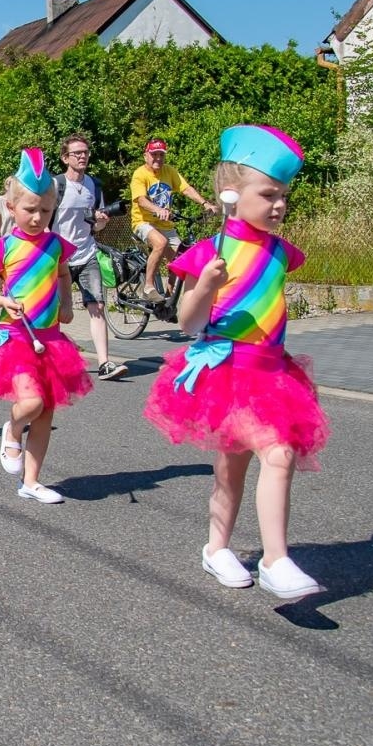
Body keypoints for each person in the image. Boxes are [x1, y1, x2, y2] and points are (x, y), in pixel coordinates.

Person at [143, 125, 330, 601]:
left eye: (283, 195)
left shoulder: (281, 252)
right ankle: (274, 559)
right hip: (229, 374)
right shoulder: (210, 252)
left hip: (273, 374)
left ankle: (216, 547)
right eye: (268, 194)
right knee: (275, 454)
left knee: (235, 467)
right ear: (231, 192)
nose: (279, 204)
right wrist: (206, 284)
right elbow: (188, 322)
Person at [0, 151, 93, 502]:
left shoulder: (56, 245)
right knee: (31, 403)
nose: (38, 217)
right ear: (11, 208)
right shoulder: (2, 248)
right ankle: (12, 430)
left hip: (51, 339)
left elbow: (63, 275)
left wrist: (67, 304)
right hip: (15, 338)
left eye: (45, 210)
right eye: (30, 209)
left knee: (46, 411)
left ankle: (31, 481)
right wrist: (3, 301)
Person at [52, 135, 127, 381]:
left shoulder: (94, 186)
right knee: (54, 311)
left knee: (97, 306)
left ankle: (105, 363)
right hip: (58, 257)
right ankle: (52, 360)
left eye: (85, 152)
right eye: (77, 153)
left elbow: (96, 227)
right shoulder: (56, 185)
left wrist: (102, 222)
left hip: (86, 253)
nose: (82, 156)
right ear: (65, 158)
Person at [130, 138, 218, 302]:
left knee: (181, 260)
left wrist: (205, 204)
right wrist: (157, 210)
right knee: (161, 243)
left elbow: (186, 189)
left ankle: (169, 299)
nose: (158, 158)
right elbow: (141, 200)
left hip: (166, 225)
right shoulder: (140, 174)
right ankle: (148, 287)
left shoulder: (169, 171)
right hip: (143, 222)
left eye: (161, 155)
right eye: (154, 154)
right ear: (146, 156)